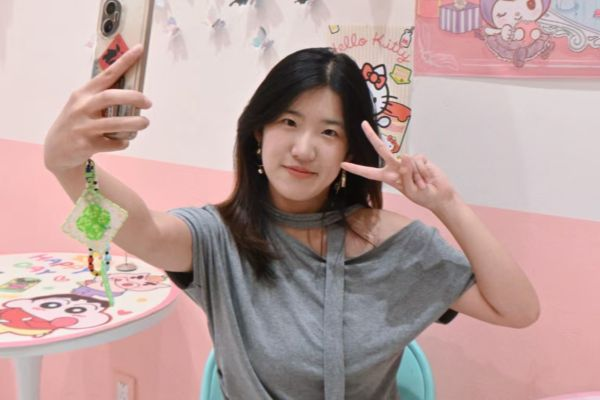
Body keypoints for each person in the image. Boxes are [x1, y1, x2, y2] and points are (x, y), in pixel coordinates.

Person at [44, 45, 540, 399]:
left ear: (349, 150)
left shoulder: (391, 242)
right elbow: (142, 231)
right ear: (258, 132)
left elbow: (518, 310)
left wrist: (447, 204)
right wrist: (66, 165)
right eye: (288, 122)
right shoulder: (218, 238)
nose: (304, 149)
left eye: (329, 132)